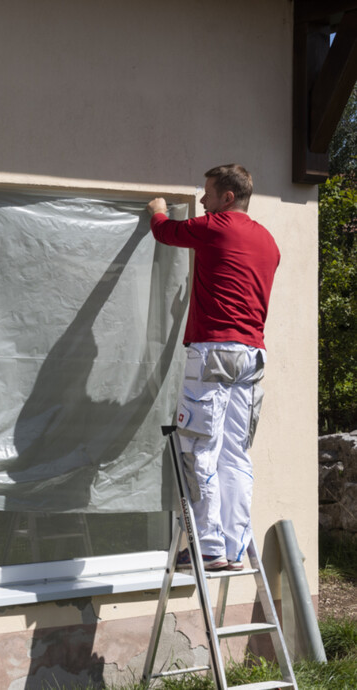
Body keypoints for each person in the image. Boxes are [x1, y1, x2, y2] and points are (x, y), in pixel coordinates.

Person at [146, 164, 280, 571]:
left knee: (199, 447)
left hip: (213, 354)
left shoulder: (216, 226)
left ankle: (207, 548)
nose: (201, 201)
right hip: (251, 356)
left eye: (207, 194)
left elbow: (166, 233)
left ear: (227, 197)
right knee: (236, 454)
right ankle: (235, 549)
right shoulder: (268, 242)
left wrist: (156, 210)